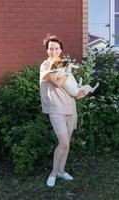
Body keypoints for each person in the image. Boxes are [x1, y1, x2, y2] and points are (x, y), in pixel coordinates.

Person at [40, 34, 85, 187]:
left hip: (70, 107)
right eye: (51, 48)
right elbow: (58, 83)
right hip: (56, 108)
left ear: (60, 50)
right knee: (63, 142)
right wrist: (66, 71)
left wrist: (80, 92)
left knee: (67, 143)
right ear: (47, 50)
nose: (54, 50)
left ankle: (61, 170)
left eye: (57, 48)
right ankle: (53, 172)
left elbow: (70, 88)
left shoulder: (64, 64)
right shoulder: (46, 66)